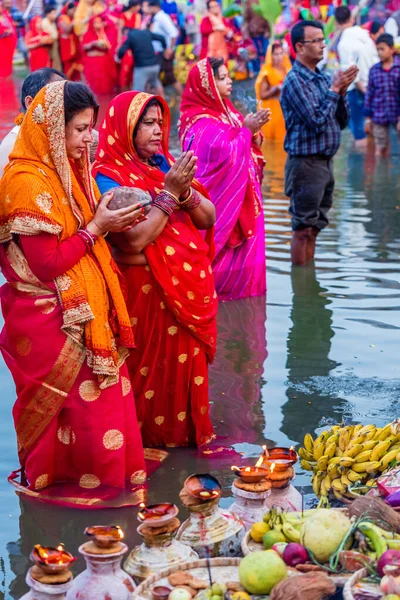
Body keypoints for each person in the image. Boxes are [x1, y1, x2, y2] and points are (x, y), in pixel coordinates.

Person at [0, 81, 148, 507]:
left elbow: (81, 231)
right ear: (51, 130)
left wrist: (105, 222)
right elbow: (46, 263)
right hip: (53, 318)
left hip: (83, 311)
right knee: (76, 411)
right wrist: (98, 228)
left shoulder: (68, 170)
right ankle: (63, 492)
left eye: (92, 128)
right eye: (82, 129)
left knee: (99, 408)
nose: (91, 138)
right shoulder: (26, 180)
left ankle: (106, 485)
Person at [93, 91, 218, 448]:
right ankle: (143, 447)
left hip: (185, 291)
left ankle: (183, 446)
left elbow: (208, 218)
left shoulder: (164, 164)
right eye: (146, 123)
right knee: (146, 376)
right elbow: (132, 241)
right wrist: (168, 195)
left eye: (160, 123)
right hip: (146, 298)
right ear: (124, 128)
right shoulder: (106, 176)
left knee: (182, 377)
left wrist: (183, 192)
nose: (156, 130)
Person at [179, 58, 270, 301]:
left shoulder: (227, 112)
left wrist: (253, 134)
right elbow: (224, 156)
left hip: (245, 202)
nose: (229, 80)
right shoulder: (199, 122)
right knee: (220, 280)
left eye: (228, 75)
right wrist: (247, 131)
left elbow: (244, 143)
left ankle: (243, 318)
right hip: (224, 205)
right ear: (205, 85)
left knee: (249, 284)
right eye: (221, 77)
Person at [280, 20, 357, 266]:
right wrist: (335, 90)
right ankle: (301, 291)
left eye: (324, 40)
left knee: (315, 227)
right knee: (302, 228)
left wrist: (341, 92)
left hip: (325, 162)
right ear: (300, 47)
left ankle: (308, 279)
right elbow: (316, 122)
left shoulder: (323, 79)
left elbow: (341, 122)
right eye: (317, 41)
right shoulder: (294, 81)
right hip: (306, 164)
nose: (323, 45)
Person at [0, 67, 65, 177]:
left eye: (65, 98)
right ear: (30, 102)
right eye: (55, 98)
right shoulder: (13, 145)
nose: (64, 105)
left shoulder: (66, 136)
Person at [335, 5, 379, 148]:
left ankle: (361, 168)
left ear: (336, 22)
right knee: (374, 130)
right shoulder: (365, 36)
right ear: (352, 18)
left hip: (357, 90)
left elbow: (351, 74)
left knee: (359, 134)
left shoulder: (344, 43)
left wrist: (366, 93)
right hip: (374, 87)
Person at [364, 33, 400, 156]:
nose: (379, 52)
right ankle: (380, 172)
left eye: (382, 49)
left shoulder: (398, 68)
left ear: (392, 49)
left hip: (397, 112)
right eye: (378, 49)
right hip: (379, 113)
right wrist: (368, 118)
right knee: (380, 147)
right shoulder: (374, 70)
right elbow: (369, 93)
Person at [143, 0, 182, 94]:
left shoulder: (162, 17)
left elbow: (173, 33)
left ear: (155, 7)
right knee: (155, 77)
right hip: (159, 52)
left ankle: (184, 98)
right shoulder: (155, 18)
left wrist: (170, 49)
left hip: (163, 52)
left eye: (149, 7)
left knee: (167, 77)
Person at [255, 41, 291, 141]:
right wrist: (276, 88)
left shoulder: (287, 69)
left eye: (281, 53)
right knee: (273, 141)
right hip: (273, 113)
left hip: (285, 112)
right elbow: (262, 95)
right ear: (271, 56)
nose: (279, 57)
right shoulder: (266, 73)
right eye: (276, 54)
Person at [117, 21, 166, 94]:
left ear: (126, 32)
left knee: (137, 90)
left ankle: (139, 105)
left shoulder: (131, 36)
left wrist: (118, 58)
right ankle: (163, 102)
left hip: (142, 67)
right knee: (156, 83)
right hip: (155, 65)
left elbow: (122, 51)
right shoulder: (146, 32)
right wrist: (164, 47)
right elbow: (161, 38)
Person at [82, 14, 117, 95]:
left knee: (104, 84)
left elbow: (108, 46)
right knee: (93, 85)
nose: (98, 24)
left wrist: (105, 45)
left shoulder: (103, 34)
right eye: (96, 22)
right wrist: (93, 44)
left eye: (99, 22)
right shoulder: (87, 34)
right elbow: (83, 47)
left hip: (103, 62)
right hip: (92, 62)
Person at [58, 1, 83, 81]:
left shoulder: (75, 18)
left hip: (76, 49)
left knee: (79, 71)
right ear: (67, 10)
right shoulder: (62, 18)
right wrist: (74, 23)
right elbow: (67, 30)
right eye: (72, 10)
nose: (74, 12)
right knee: (68, 73)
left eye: (75, 10)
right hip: (67, 50)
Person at [41, 5, 62, 71]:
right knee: (53, 62)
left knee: (56, 61)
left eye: (55, 13)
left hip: (55, 43)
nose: (55, 15)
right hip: (49, 44)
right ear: (47, 14)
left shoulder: (52, 22)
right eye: (53, 13)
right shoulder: (44, 23)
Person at [0, 0, 17, 77]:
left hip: (9, 45)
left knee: (8, 64)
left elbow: (12, 27)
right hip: (2, 45)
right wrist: (5, 32)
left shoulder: (6, 16)